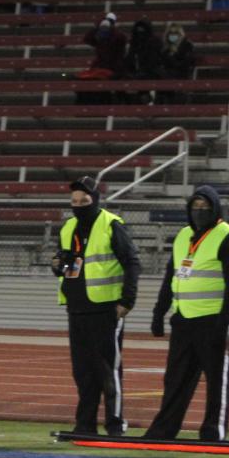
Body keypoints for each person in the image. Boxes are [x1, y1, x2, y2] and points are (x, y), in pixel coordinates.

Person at [145, 186, 229, 441]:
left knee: (217, 381)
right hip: (184, 320)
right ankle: (164, 429)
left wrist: (228, 317)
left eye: (205, 207)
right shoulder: (182, 236)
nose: (200, 212)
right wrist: (159, 312)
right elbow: (171, 276)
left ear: (216, 208)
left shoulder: (228, 237)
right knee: (175, 379)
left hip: (214, 320)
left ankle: (213, 431)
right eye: (195, 207)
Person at [53, 177, 140, 436]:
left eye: (84, 201)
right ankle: (85, 424)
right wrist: (58, 265)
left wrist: (127, 301)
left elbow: (132, 262)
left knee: (108, 371)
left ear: (96, 200)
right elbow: (67, 262)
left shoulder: (111, 224)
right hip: (77, 307)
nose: (78, 205)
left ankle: (115, 425)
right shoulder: (68, 227)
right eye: (74, 201)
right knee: (82, 372)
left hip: (105, 308)